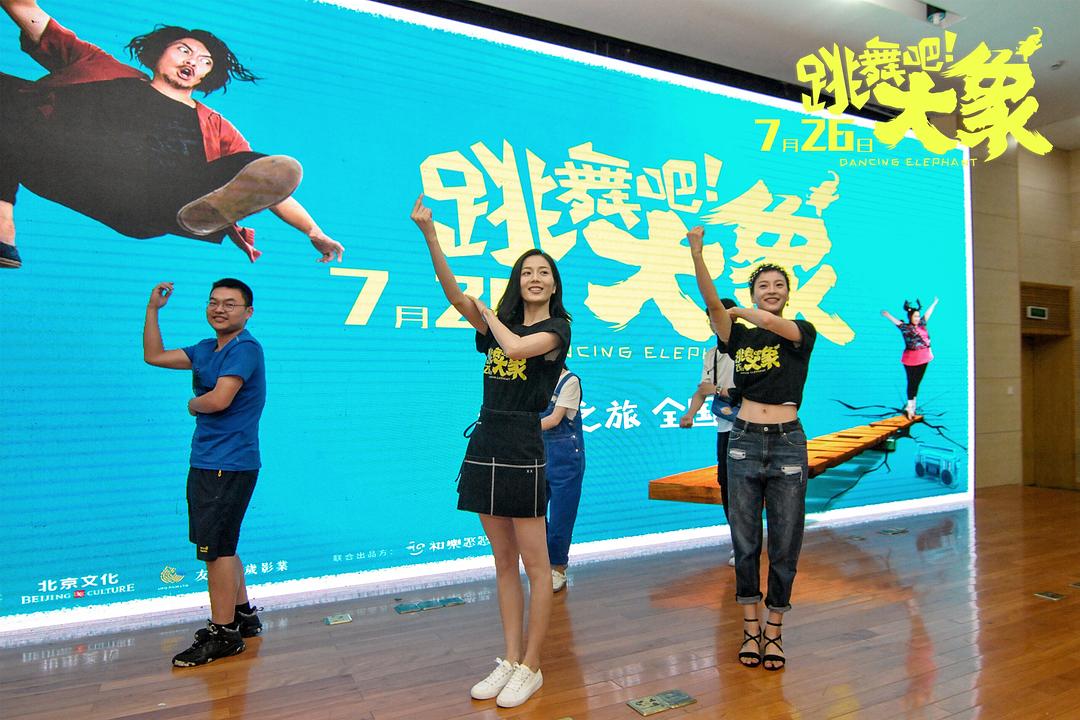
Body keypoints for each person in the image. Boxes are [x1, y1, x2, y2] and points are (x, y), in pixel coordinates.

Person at [0, 0, 344, 269]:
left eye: (205, 62)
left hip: (148, 203)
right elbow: (28, 14)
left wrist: (313, 232)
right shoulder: (100, 65)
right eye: (184, 50)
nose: (193, 62)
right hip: (69, 168)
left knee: (250, 163)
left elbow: (268, 186)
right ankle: (3, 225)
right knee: (7, 93)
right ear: (160, 51)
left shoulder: (215, 125)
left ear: (206, 76)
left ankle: (196, 211)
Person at [410, 194, 571, 708]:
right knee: (504, 562)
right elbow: (453, 294)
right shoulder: (497, 323)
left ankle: (533, 666)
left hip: (524, 443)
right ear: (517, 281)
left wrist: (487, 313)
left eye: (543, 272)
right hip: (486, 440)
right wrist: (431, 236)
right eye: (526, 272)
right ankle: (510, 659)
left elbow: (518, 348)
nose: (535, 278)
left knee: (537, 566)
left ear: (554, 284)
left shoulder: (557, 329)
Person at [688, 226, 817, 671]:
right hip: (742, 440)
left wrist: (743, 310)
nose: (771, 290)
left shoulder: (800, 332)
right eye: (763, 285)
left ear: (787, 294)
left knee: (785, 542)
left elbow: (770, 323)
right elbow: (713, 304)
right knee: (745, 542)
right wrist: (697, 253)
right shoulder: (738, 338)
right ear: (753, 291)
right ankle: (750, 626)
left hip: (787, 443)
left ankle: (774, 628)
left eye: (778, 285)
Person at [143, 278, 266, 667]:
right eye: (214, 302)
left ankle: (223, 633)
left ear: (248, 312)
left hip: (227, 464)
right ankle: (243, 615)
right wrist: (153, 310)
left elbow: (219, 399)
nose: (219, 309)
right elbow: (154, 356)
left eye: (230, 304)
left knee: (217, 551)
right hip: (210, 461)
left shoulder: (245, 348)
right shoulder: (205, 348)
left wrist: (192, 404)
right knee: (223, 544)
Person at [680, 302, 740, 567]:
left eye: (721, 317)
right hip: (725, 428)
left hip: (751, 427)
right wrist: (690, 414)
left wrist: (716, 390)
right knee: (727, 486)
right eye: (711, 318)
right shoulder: (711, 354)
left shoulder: (751, 349)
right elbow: (702, 390)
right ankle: (740, 542)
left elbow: (720, 389)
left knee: (749, 488)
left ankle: (751, 541)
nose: (715, 322)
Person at [540, 365, 585, 593]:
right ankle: (542, 564)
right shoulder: (534, 379)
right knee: (533, 513)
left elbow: (554, 419)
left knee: (561, 516)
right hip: (537, 454)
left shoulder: (570, 381)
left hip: (565, 458)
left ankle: (557, 567)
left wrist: (518, 429)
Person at [881, 298, 939, 418]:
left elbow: (928, 314)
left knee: (917, 382)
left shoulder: (922, 324)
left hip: (924, 357)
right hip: (911, 359)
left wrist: (934, 303)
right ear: (910, 317)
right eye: (915, 316)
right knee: (911, 382)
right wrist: (887, 315)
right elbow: (897, 322)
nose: (917, 318)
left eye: (918, 316)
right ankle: (910, 406)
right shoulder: (906, 328)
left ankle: (912, 407)